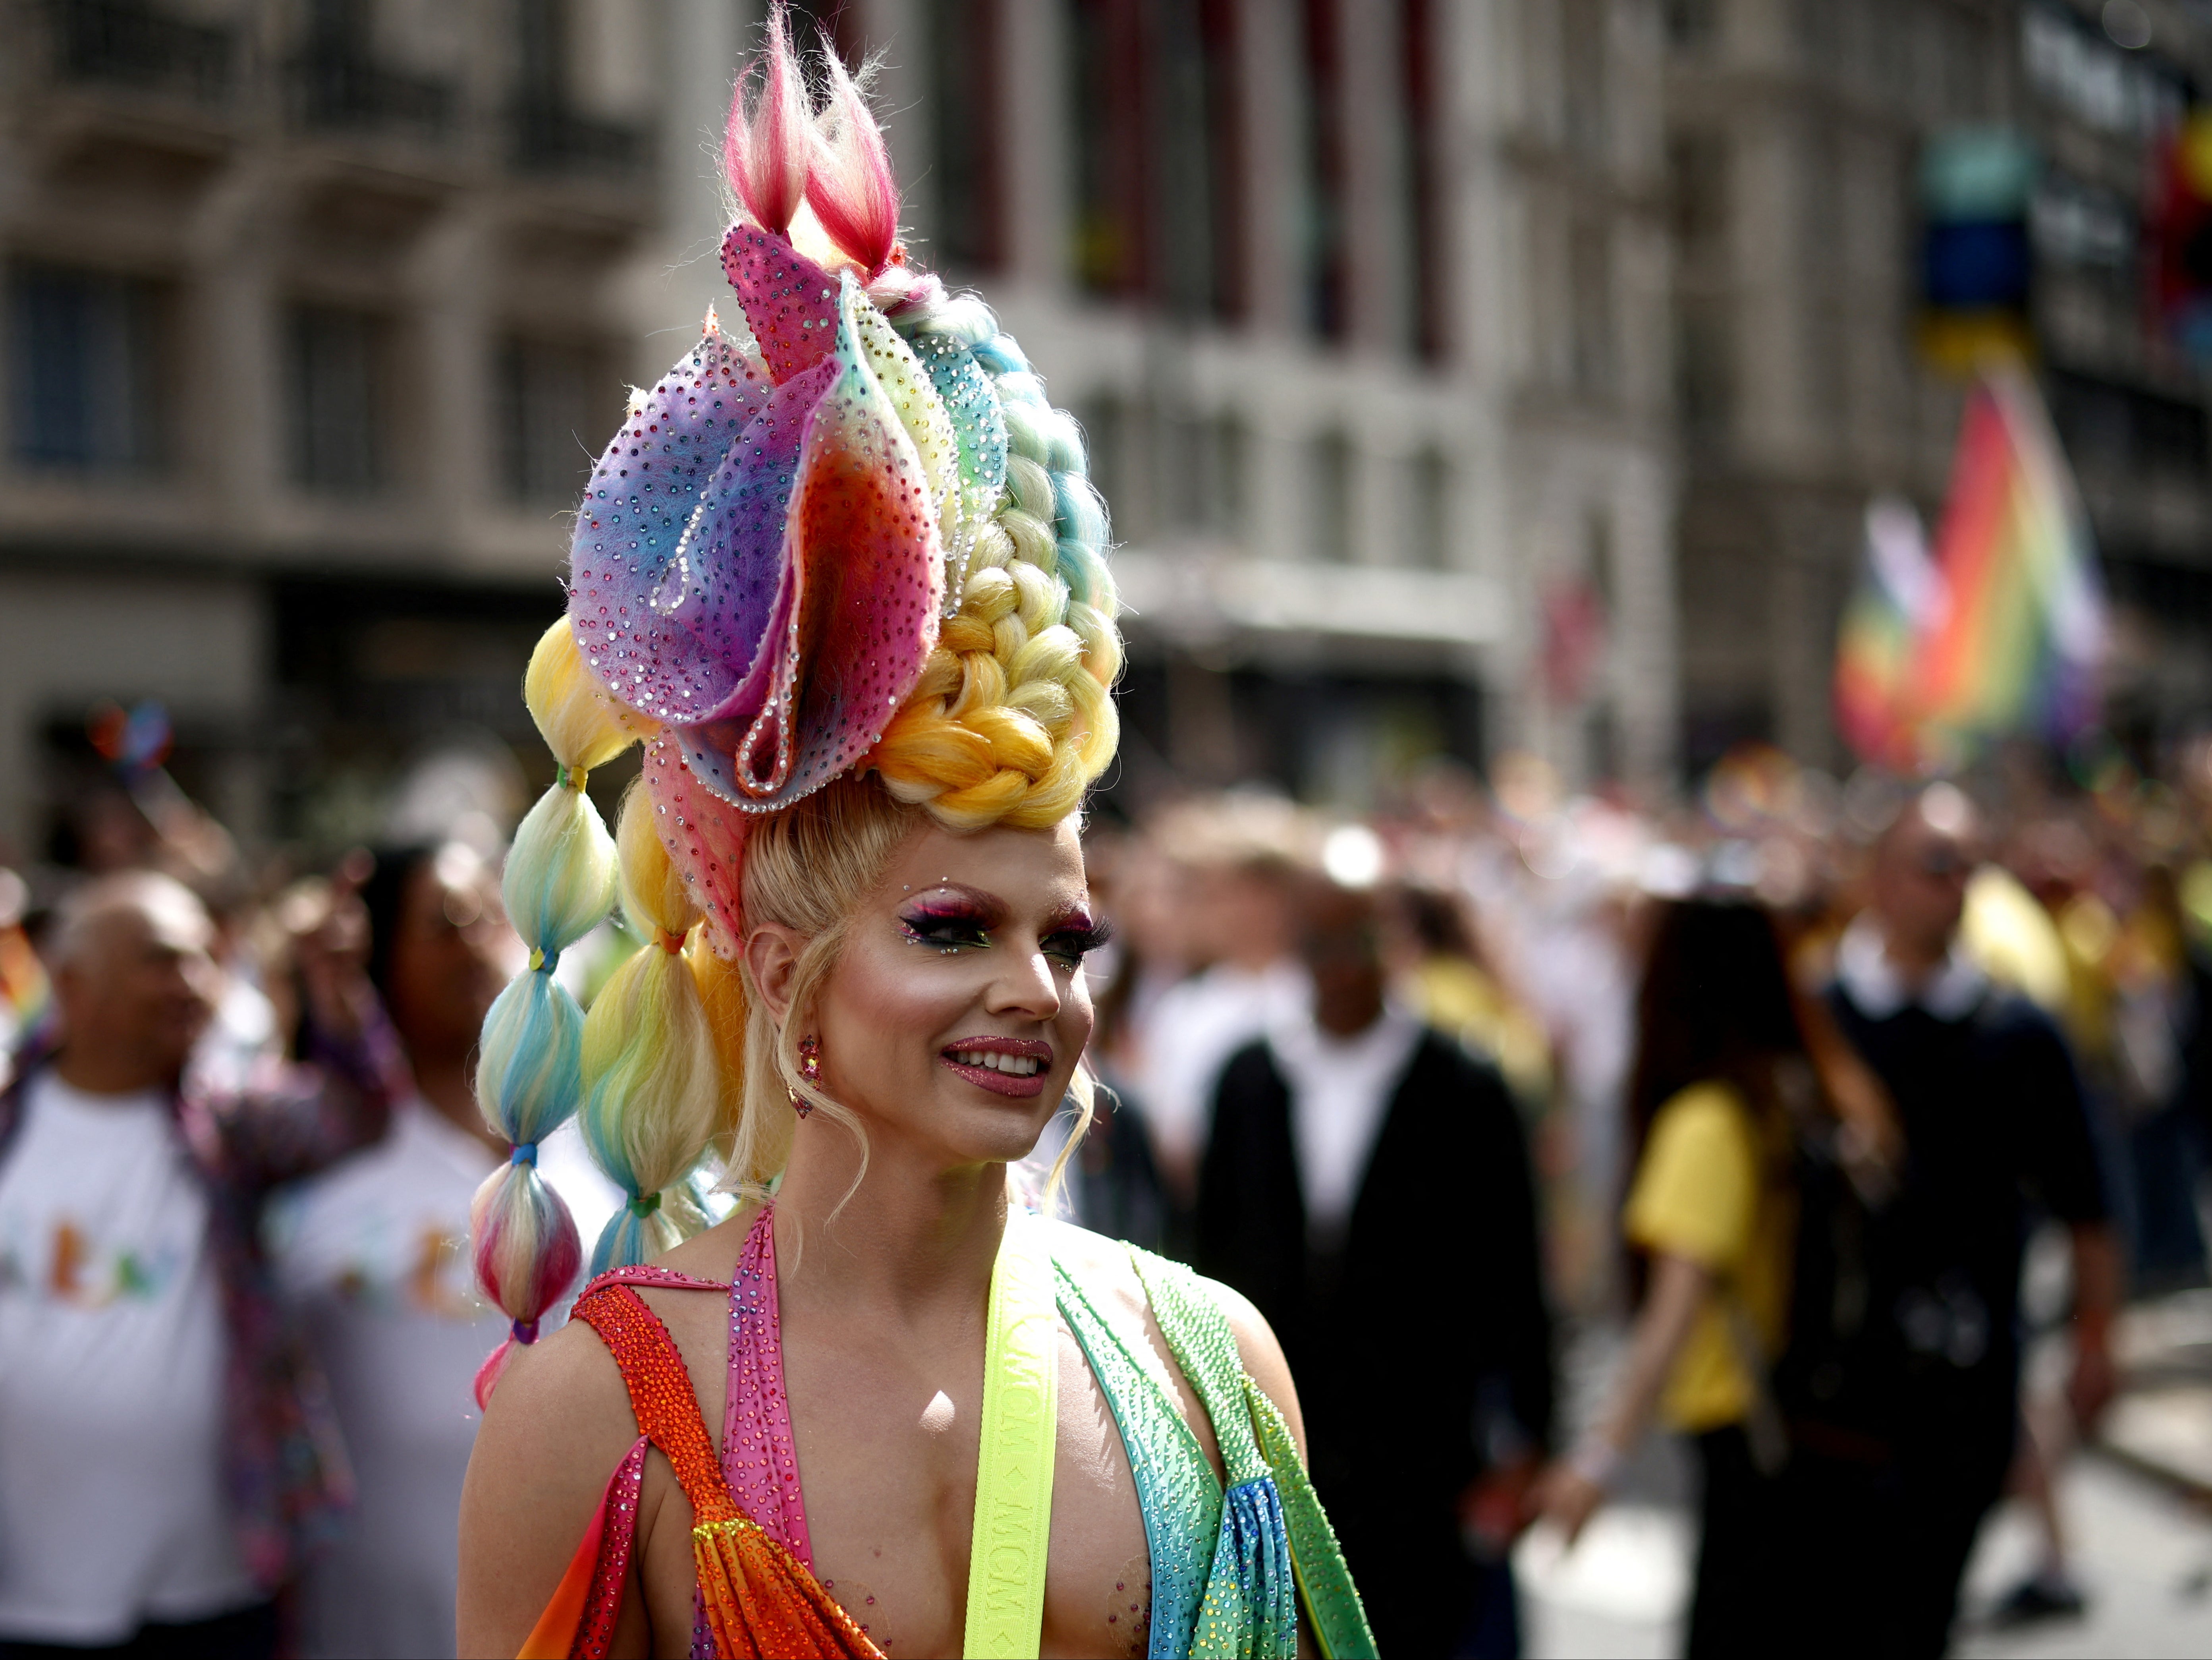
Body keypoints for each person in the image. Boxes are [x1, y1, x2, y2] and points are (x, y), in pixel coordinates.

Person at [454, 15, 1372, 1656]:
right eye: (954, 928)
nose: (1038, 987)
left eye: (1068, 937)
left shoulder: (1209, 1365)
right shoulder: (599, 1406)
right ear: (789, 966)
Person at [0, 870, 400, 1658]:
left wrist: (333, 988)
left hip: (214, 1588)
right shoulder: (10, 1124)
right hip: (26, 1597)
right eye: (160, 959)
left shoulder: (227, 1127)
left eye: (202, 959)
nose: (193, 982)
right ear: (74, 984)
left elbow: (358, 1109)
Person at [266, 841, 621, 1658]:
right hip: (366, 1620)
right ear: (378, 958)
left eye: (496, 917)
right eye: (445, 921)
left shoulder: (613, 1154)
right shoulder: (313, 1166)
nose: (478, 941)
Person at [1199, 875, 1554, 1658]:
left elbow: (1514, 1268)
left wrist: (1529, 1434)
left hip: (1424, 1439)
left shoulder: (1466, 1082)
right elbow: (1208, 1250)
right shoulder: (1250, 1078)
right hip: (1278, 1435)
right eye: (1324, 946)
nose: (1345, 969)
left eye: (1362, 943)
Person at [1818, 783, 2119, 1654]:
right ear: (1878, 877)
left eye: (1968, 869)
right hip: (1836, 1382)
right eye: (1934, 865)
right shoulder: (1820, 1014)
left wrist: (2096, 1335)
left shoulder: (2016, 1032)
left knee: (1920, 1605)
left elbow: (2086, 1200)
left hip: (1966, 1374)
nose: (1952, 889)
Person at [1535, 897, 1845, 1656]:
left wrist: (1597, 1459)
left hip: (1740, 1421)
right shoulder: (1777, 1095)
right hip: (1782, 1410)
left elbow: (1671, 1313)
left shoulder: (1703, 1122)